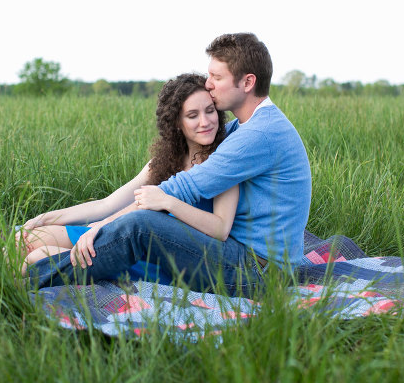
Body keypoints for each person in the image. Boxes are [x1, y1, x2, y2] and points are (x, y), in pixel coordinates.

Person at [27, 32, 312, 296]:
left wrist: (101, 227)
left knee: (140, 225)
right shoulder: (245, 128)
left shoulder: (259, 134)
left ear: (247, 83)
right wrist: (97, 224)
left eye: (217, 77)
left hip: (257, 272)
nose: (208, 84)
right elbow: (121, 200)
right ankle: (43, 264)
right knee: (135, 225)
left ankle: (32, 277)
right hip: (243, 257)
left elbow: (182, 189)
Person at [17, 73, 239, 281]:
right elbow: (106, 205)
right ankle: (1, 288)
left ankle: (16, 291)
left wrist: (168, 203)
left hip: (167, 258)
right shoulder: (165, 162)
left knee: (39, 255)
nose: (205, 122)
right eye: (192, 115)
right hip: (126, 237)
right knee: (28, 238)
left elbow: (221, 230)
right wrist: (47, 217)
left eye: (210, 111)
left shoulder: (223, 163)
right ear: (177, 123)